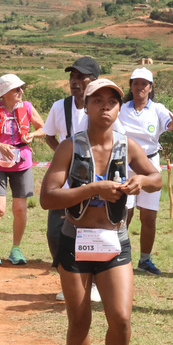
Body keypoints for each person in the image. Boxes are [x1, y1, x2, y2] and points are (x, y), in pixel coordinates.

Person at [40, 78, 161, 345]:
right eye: (97, 101)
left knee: (121, 318)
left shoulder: (128, 145)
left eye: (112, 101)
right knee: (78, 320)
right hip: (75, 239)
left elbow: (156, 178)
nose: (105, 107)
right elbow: (47, 197)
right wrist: (92, 189)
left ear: (119, 108)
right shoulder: (70, 146)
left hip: (114, 240)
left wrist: (140, 181)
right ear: (86, 105)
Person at [43, 56, 124, 303]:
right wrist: (66, 162)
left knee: (99, 230)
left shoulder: (107, 109)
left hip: (101, 183)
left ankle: (97, 281)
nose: (75, 82)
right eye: (73, 76)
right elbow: (48, 135)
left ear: (94, 81)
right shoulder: (60, 107)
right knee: (56, 232)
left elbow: (118, 142)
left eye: (81, 77)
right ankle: (67, 278)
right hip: (68, 186)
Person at [118, 67, 173, 275]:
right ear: (131, 85)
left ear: (150, 87)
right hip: (125, 165)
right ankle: (119, 257)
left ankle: (145, 260)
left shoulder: (157, 109)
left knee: (148, 217)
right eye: (136, 83)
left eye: (144, 84)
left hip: (150, 167)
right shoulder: (121, 108)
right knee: (123, 215)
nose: (140, 87)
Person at [0, 74, 45, 266]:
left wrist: (32, 134)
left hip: (22, 163)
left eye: (21, 88)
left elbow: (44, 128)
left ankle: (16, 249)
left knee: (20, 208)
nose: (21, 92)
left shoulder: (27, 107)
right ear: (5, 92)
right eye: (17, 89)